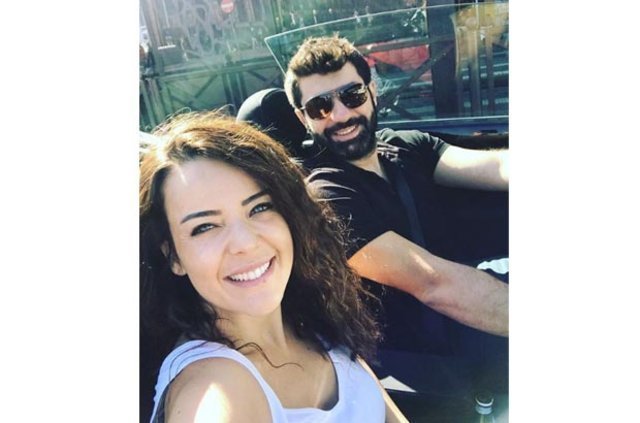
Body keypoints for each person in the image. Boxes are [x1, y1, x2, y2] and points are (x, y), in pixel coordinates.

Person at [140, 111, 408, 423]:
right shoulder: (212, 384)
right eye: (205, 227)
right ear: (173, 257)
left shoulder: (316, 321)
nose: (245, 242)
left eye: (260, 207)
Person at [283, 35, 508, 397]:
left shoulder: (406, 146)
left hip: (466, 326)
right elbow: (433, 284)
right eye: (319, 107)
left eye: (352, 95)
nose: (340, 115)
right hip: (423, 366)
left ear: (372, 92)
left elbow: (497, 167)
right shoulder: (325, 194)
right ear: (302, 118)